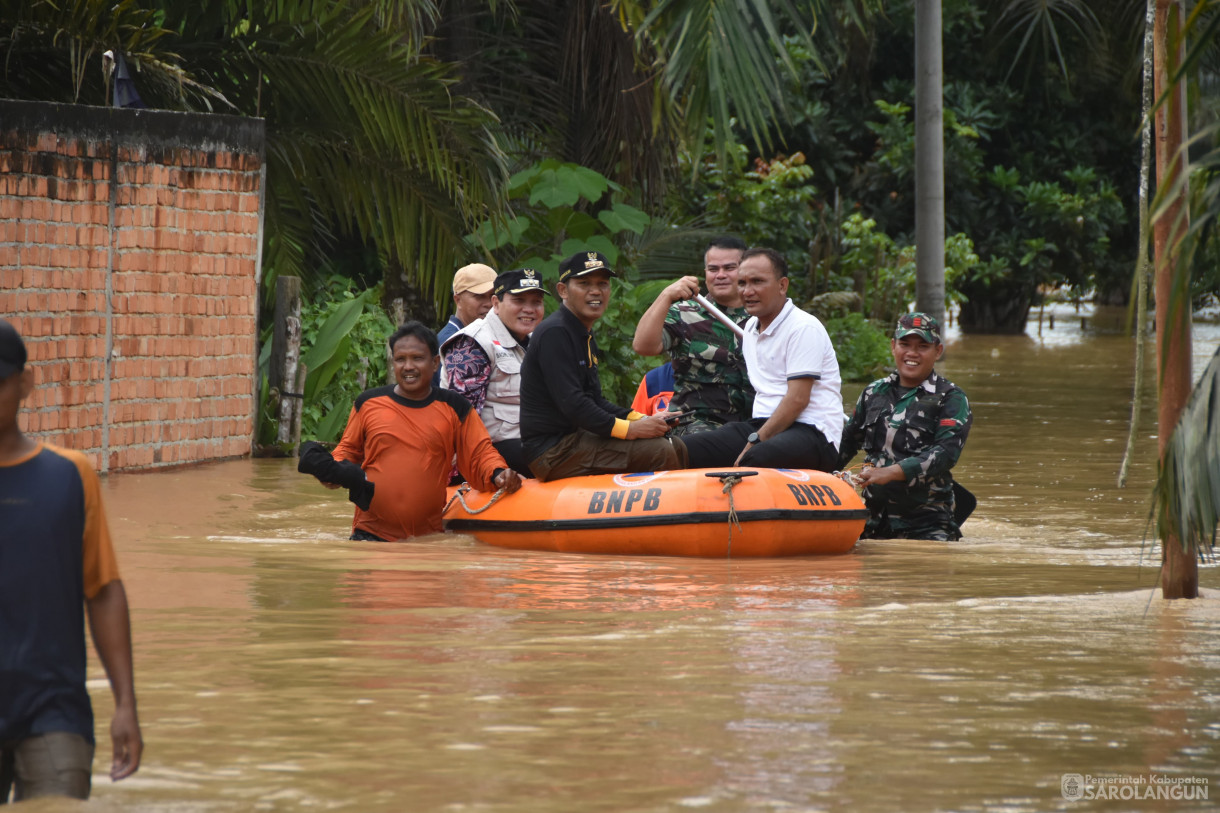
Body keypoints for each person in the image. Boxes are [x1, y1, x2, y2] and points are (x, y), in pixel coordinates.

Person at [0, 318, 142, 802]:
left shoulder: (69, 476)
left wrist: (126, 703)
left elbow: (102, 591)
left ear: (24, 383)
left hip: (55, 712)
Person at [326, 321, 522, 541]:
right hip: (370, 535)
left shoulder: (455, 407)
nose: (408, 366)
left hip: (426, 539)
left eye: (417, 358)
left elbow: (479, 453)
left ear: (436, 362)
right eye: (400, 359)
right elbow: (346, 451)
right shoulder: (368, 403)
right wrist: (331, 471)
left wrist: (498, 473)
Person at [519, 250, 688, 481]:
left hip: (576, 438)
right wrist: (631, 430)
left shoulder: (582, 332)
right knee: (660, 450)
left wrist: (641, 419)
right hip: (553, 452)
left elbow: (594, 400)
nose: (596, 291)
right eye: (584, 283)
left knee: (675, 443)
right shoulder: (555, 332)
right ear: (562, 291)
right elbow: (574, 405)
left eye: (602, 283)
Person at [681, 247, 843, 471]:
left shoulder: (803, 327)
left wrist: (756, 439)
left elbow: (797, 400)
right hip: (762, 424)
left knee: (754, 458)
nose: (747, 291)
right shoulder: (749, 328)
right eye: (742, 283)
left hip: (813, 432)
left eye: (757, 282)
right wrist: (750, 435)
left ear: (782, 285)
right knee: (686, 448)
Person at [837, 312, 973, 541]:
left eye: (922, 346)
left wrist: (889, 473)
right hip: (872, 523)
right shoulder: (873, 392)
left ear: (937, 351)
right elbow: (845, 444)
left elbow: (945, 453)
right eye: (905, 344)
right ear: (893, 346)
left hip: (927, 526)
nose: (912, 353)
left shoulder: (951, 398)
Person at [632, 236, 754, 434]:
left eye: (729, 268)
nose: (720, 275)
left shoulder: (765, 316)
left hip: (756, 423)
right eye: (713, 269)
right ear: (705, 273)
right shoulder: (685, 312)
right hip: (697, 425)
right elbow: (643, 346)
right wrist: (666, 296)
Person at [441, 267, 549, 476]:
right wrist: (490, 471)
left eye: (536, 302)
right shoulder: (472, 343)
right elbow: (461, 422)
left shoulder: (538, 340)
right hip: (495, 452)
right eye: (518, 301)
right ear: (496, 304)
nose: (529, 309)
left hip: (535, 441)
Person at [436, 263, 497, 347]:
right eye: (480, 296)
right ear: (458, 300)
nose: (489, 304)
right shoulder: (451, 342)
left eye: (493, 296)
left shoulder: (492, 334)